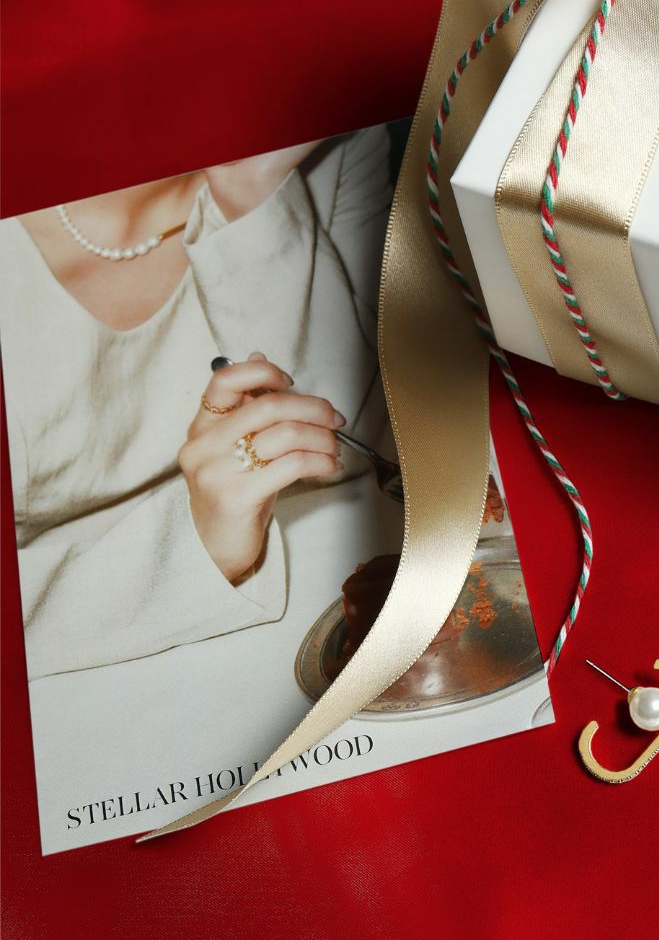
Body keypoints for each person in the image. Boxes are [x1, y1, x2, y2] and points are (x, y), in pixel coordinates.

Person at [0, 128, 394, 680]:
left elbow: (357, 445)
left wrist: (250, 198)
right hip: (59, 681)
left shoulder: (332, 143)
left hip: (279, 621)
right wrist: (194, 549)